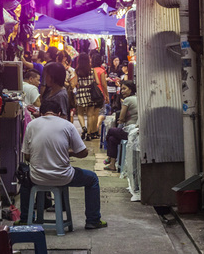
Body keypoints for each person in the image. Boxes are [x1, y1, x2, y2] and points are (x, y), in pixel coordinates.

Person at [18, 98, 107, 229]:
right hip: (63, 177)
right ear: (59, 113)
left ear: (41, 113)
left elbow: (27, 156)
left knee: (24, 180)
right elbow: (83, 153)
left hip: (37, 177)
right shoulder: (67, 125)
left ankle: (26, 219)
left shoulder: (32, 125)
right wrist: (69, 153)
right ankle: (93, 220)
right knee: (92, 179)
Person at [104, 80, 137, 171]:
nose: (122, 91)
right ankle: (112, 164)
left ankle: (110, 158)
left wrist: (122, 119)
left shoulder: (127, 100)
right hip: (134, 131)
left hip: (129, 131)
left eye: (124, 89)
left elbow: (121, 119)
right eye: (121, 89)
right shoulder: (137, 98)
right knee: (112, 139)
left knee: (111, 131)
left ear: (130, 89)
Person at [70, 52, 102, 140]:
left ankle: (83, 128)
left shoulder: (77, 71)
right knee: (90, 115)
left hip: (81, 93)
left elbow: (75, 83)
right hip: (91, 93)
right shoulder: (92, 70)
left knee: (80, 113)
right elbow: (98, 82)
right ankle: (88, 133)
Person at [91, 52, 109, 138]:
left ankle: (92, 130)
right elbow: (104, 84)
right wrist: (106, 95)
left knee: (93, 112)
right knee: (102, 112)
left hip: (91, 93)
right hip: (99, 93)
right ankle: (97, 126)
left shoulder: (90, 70)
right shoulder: (101, 71)